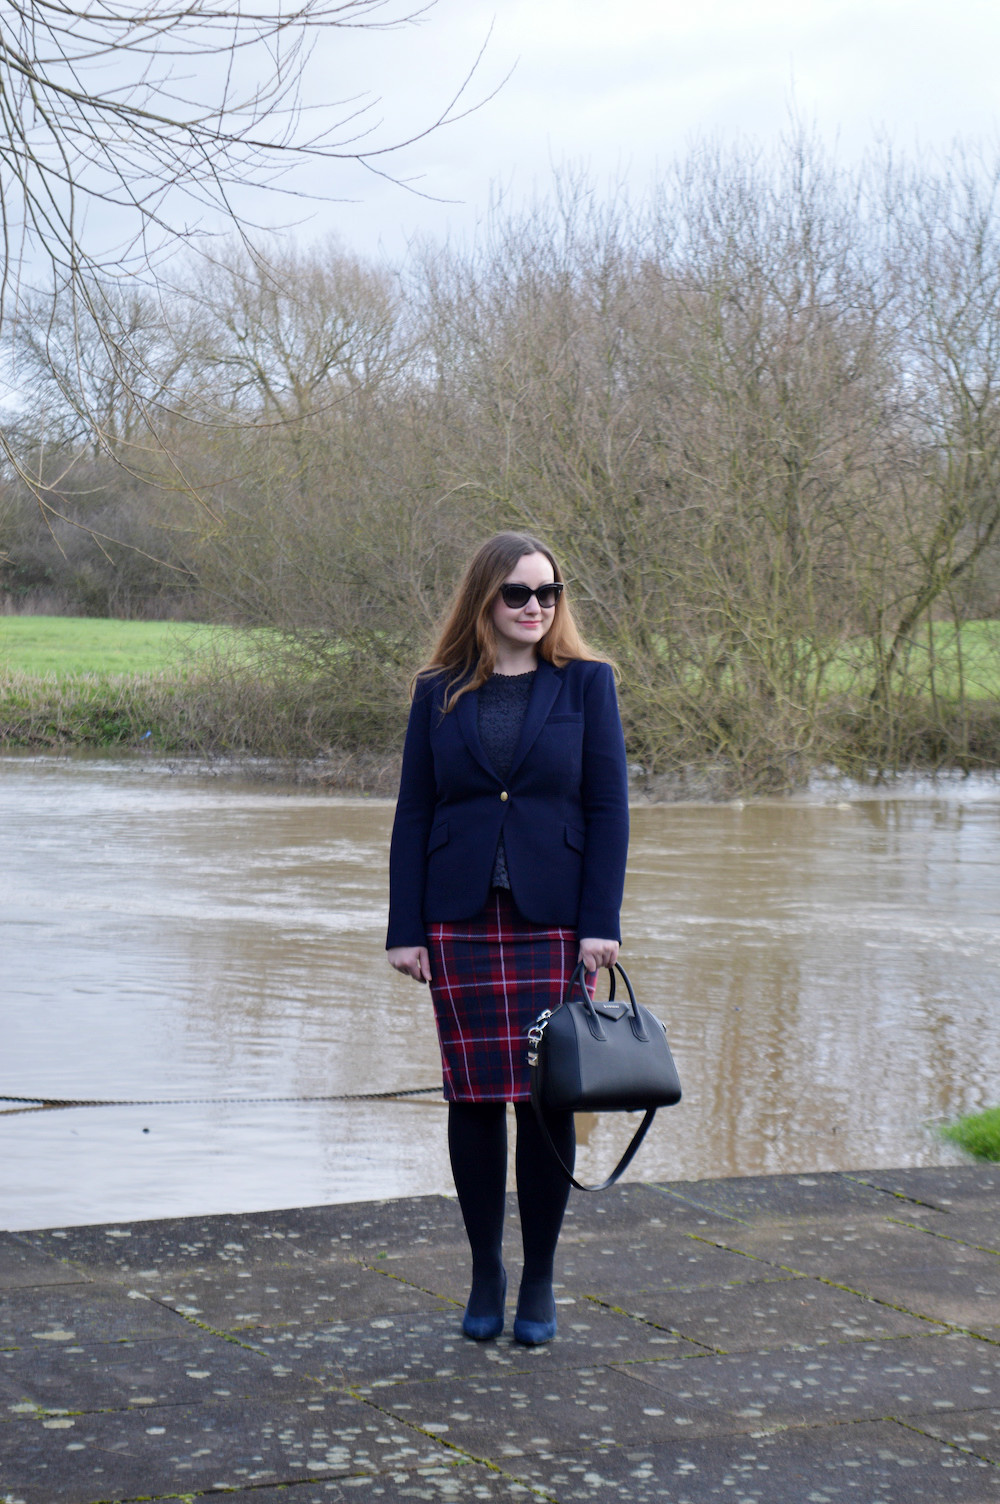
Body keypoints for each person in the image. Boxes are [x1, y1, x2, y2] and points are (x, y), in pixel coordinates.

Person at [386, 531, 629, 1346]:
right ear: (483, 598)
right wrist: (405, 927)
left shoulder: (587, 686)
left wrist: (601, 922)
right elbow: (414, 811)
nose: (537, 607)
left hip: (554, 918)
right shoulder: (438, 690)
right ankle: (486, 1271)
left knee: (547, 1098)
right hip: (456, 919)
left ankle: (541, 1277)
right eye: (519, 594)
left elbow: (608, 811)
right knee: (473, 1097)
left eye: (550, 593)